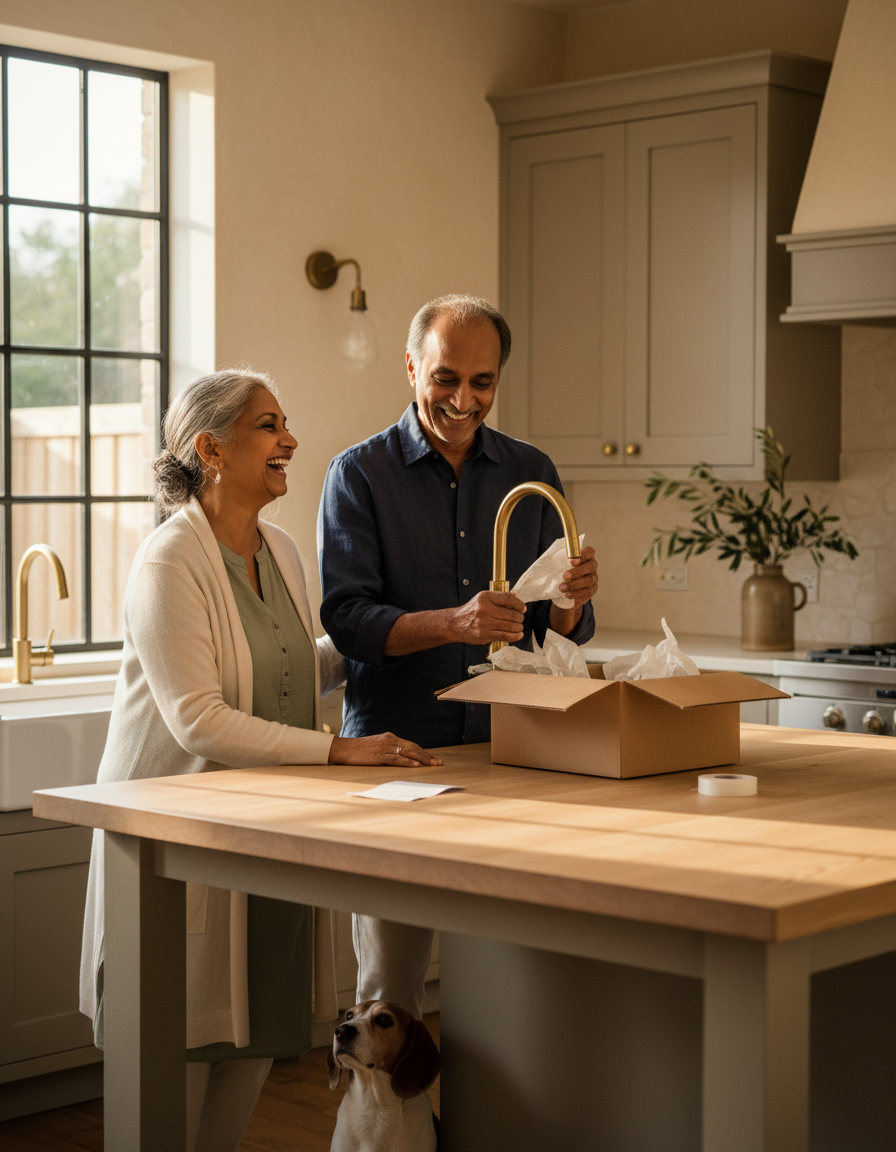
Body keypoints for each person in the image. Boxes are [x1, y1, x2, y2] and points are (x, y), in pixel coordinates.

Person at [79, 368, 440, 1152]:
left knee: (245, 1059)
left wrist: (397, 635)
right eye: (270, 426)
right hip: (175, 856)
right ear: (211, 449)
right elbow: (200, 720)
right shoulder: (169, 562)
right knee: (172, 1078)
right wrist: (341, 749)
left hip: (257, 848)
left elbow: (282, 669)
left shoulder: (277, 548)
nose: (291, 441)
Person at [318, 295, 598, 1017]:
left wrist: (569, 599)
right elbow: (348, 623)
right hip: (400, 755)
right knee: (389, 992)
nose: (464, 399)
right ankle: (385, 1132)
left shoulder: (531, 471)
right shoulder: (358, 475)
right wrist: (454, 623)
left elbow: (558, 636)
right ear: (412, 367)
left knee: (515, 983)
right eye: (447, 378)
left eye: (483, 382)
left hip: (514, 752)